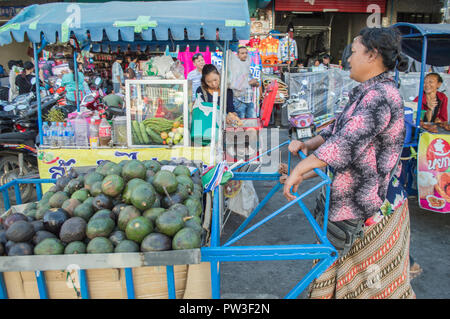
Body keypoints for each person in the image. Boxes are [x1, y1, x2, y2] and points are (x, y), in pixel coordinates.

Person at [282, 27, 415, 299]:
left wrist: (300, 169)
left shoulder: (381, 96)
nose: (348, 59)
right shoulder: (366, 92)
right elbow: (337, 132)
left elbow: (346, 144)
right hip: (350, 200)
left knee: (363, 284)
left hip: (366, 205)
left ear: (372, 55)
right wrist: (309, 145)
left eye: (353, 52)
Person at [231, 46, 259, 119]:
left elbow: (251, 81)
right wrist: (250, 82)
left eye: (246, 53)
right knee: (241, 126)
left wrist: (255, 83)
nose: (245, 55)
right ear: (237, 55)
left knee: (251, 124)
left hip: (249, 101)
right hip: (240, 102)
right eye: (242, 53)